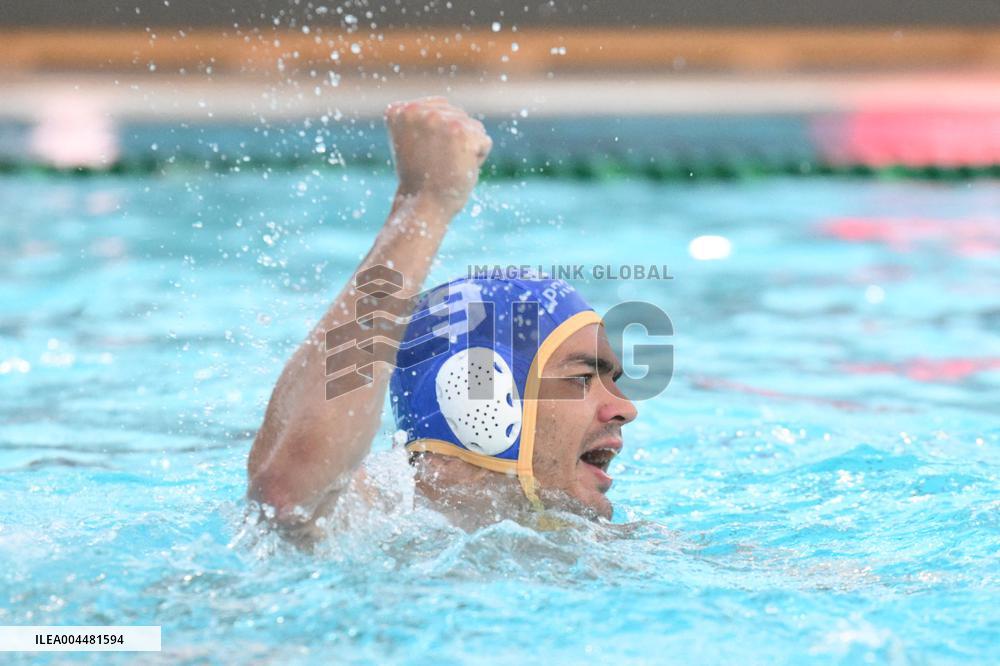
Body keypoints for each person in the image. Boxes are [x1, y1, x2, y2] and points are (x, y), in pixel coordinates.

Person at [247, 97, 638, 539]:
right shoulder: (377, 525)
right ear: (477, 400)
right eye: (582, 377)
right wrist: (422, 205)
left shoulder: (613, 547)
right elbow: (285, 496)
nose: (625, 408)